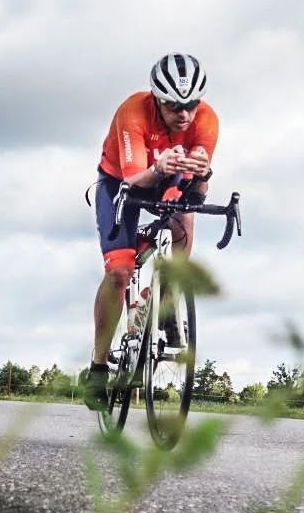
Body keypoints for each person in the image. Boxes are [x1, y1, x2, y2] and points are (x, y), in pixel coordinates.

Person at [85, 52, 219, 409]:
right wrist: (158, 169)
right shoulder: (132, 112)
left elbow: (197, 193)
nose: (184, 114)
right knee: (119, 272)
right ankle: (98, 368)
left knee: (184, 221)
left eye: (191, 104)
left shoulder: (206, 121)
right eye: (175, 106)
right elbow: (133, 179)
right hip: (121, 182)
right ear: (158, 99)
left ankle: (169, 302)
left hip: (168, 178)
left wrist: (203, 176)